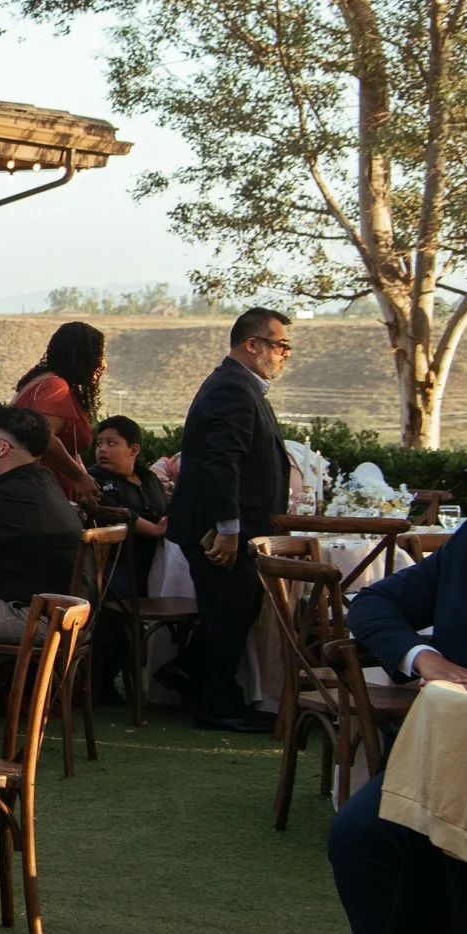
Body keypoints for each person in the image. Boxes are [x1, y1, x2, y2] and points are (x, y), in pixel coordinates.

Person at [292, 430, 467, 934]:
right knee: (361, 834)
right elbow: (375, 603)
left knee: (450, 852)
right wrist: (423, 659)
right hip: (457, 759)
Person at [168, 308, 295, 733]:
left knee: (233, 612)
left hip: (231, 527)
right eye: (280, 345)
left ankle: (190, 675)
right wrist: (228, 528)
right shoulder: (233, 389)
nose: (285, 355)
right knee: (229, 614)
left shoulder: (242, 386)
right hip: (218, 529)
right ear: (252, 344)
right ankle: (217, 706)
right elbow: (223, 463)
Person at [0, 406, 83, 644]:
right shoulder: (42, 480)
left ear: (2, 448)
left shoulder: (12, 496)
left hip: (38, 618)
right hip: (66, 612)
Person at [13, 320, 106, 504]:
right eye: (97, 354)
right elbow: (45, 436)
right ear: (81, 356)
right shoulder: (55, 386)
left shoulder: (39, 381)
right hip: (46, 496)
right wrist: (79, 476)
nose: (103, 363)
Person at [90, 415, 170, 595]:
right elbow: (113, 512)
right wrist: (154, 529)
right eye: (99, 444)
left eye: (111, 443)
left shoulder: (150, 479)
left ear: (134, 449)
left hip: (157, 559)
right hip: (116, 563)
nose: (102, 449)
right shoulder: (93, 479)